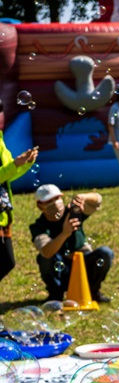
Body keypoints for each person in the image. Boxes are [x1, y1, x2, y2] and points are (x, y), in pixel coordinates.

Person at [29, 184, 113, 302]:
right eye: (48, 201)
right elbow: (46, 252)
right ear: (40, 205)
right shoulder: (38, 226)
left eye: (57, 198)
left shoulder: (74, 212)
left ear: (62, 198)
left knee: (105, 253)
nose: (55, 203)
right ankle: (55, 295)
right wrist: (65, 233)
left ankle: (93, 291)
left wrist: (84, 197)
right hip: (61, 269)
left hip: (83, 264)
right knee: (44, 258)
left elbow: (97, 200)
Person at [0, 97, 38, 283]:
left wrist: (25, 164)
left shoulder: (0, 141)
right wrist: (15, 164)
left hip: (4, 214)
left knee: (7, 262)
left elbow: (7, 175)